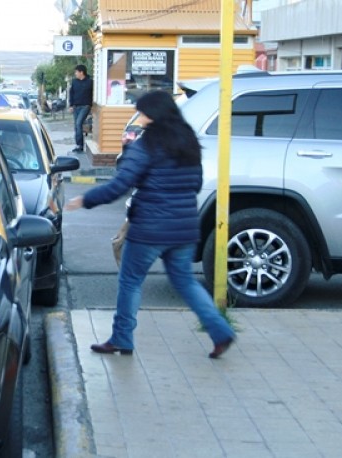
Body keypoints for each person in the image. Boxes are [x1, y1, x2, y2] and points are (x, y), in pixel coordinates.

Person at [65, 90, 236, 359]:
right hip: (184, 228)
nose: (140, 117)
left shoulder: (146, 145)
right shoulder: (189, 142)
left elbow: (121, 184)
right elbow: (196, 184)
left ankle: (122, 338)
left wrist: (85, 200)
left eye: (143, 112)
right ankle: (220, 331)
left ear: (154, 114)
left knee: (130, 282)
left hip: (149, 229)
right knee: (186, 283)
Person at [68, 64, 93, 154]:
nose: (75, 74)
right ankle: (79, 145)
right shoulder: (74, 82)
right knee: (76, 126)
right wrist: (71, 105)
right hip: (76, 107)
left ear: (81, 72)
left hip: (85, 106)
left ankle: (79, 145)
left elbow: (93, 94)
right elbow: (71, 93)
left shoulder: (90, 82)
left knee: (79, 123)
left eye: (76, 72)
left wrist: (92, 106)